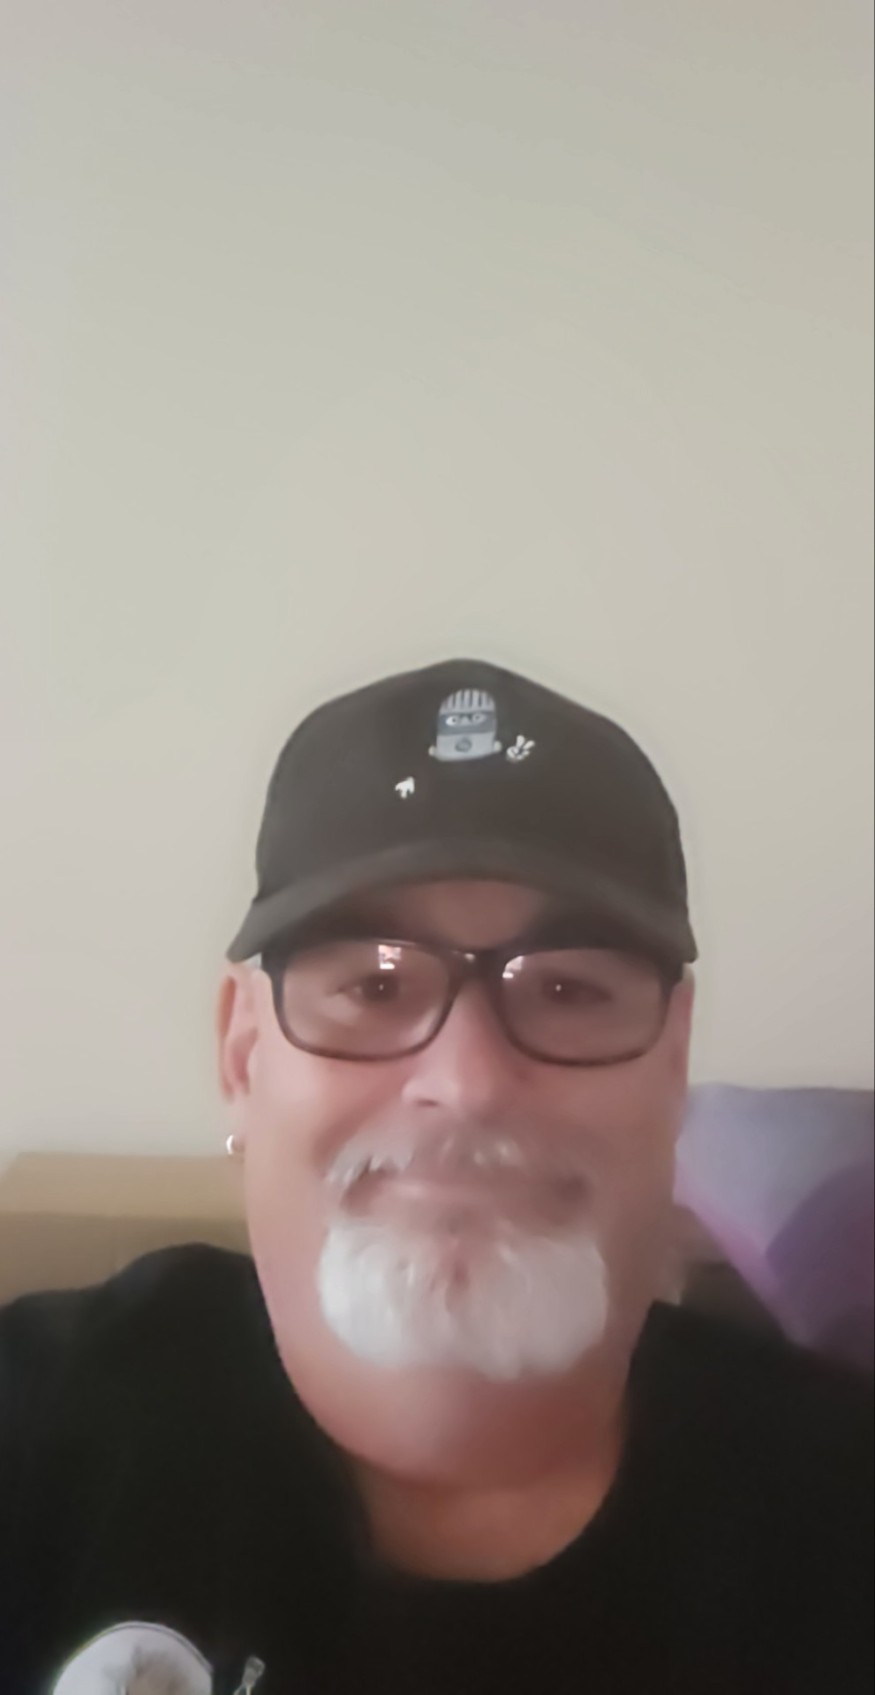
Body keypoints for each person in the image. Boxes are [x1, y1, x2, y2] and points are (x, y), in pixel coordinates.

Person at [1, 658, 871, 1695]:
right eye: (372, 986)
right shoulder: (40, 1436)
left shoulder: (837, 1509)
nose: (467, 1085)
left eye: (566, 990)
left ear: (672, 1062)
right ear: (243, 1055)